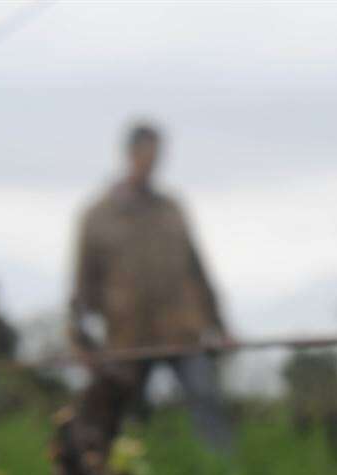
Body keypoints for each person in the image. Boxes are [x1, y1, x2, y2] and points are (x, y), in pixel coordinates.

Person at [68, 122, 234, 448]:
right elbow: (83, 283)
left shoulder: (171, 209)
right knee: (128, 413)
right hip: (128, 335)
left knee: (206, 397)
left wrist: (219, 324)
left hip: (183, 329)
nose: (153, 162)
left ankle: (222, 474)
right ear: (131, 154)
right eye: (147, 154)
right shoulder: (97, 216)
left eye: (158, 155)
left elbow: (197, 269)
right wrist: (80, 341)